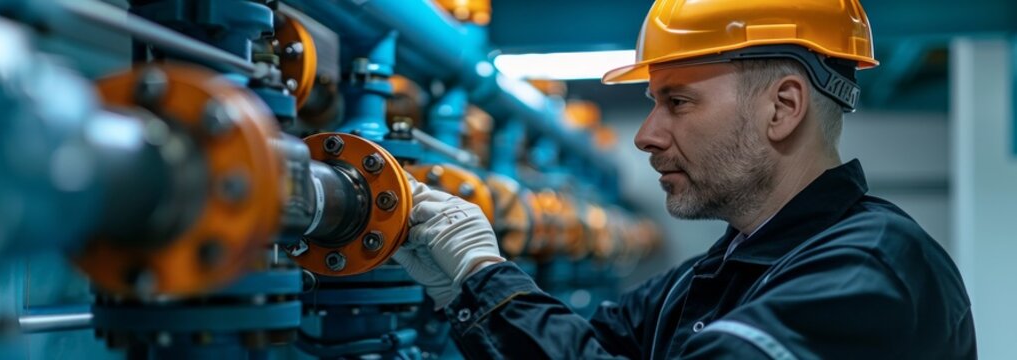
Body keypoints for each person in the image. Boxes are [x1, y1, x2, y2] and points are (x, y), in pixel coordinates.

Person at [390, 0, 977, 358]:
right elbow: (586, 345)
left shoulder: (869, 272)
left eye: (677, 102)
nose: (646, 135)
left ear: (782, 108)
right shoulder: (713, 274)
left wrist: (483, 274)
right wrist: (463, 289)